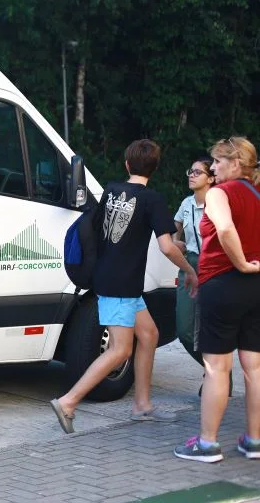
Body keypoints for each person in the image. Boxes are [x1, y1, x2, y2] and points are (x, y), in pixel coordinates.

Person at [50, 139, 197, 434]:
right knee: (119, 350)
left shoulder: (111, 190)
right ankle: (68, 401)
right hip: (121, 285)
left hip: (114, 281)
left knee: (149, 334)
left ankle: (142, 405)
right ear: (155, 168)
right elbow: (167, 247)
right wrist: (190, 270)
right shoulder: (152, 199)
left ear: (127, 164)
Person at [174, 136, 260, 463]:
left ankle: (207, 443)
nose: (213, 168)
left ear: (235, 163)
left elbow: (224, 230)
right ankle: (254, 440)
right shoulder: (257, 193)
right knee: (254, 367)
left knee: (216, 368)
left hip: (224, 284)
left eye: (218, 162)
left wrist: (240, 263)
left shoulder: (218, 193)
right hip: (256, 286)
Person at [173, 156, 215, 367]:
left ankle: (218, 377)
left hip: (214, 267)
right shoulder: (186, 203)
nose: (192, 175)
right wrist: (175, 241)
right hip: (189, 264)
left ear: (211, 179)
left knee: (212, 329)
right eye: (191, 171)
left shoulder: (218, 203)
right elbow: (175, 228)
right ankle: (214, 371)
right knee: (184, 330)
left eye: (198, 172)